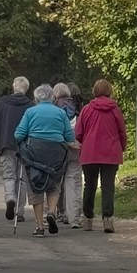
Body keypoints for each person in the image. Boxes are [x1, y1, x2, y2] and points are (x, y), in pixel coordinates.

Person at [15, 86, 77, 234]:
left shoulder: (30, 112)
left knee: (35, 186)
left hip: (34, 152)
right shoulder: (61, 113)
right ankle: (51, 212)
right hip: (56, 153)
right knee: (54, 185)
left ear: (36, 99)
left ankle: (39, 227)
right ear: (52, 98)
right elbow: (70, 137)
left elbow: (18, 135)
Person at [74, 79, 128, 233]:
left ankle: (88, 219)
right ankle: (108, 220)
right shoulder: (115, 109)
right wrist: (121, 147)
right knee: (108, 186)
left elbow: (78, 133)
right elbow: (122, 132)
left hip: (90, 152)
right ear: (109, 91)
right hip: (110, 152)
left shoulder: (86, 110)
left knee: (89, 186)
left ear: (94, 91)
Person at [0, 75, 35, 223]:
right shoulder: (30, 105)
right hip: (24, 146)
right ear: (26, 89)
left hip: (6, 144)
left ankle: (10, 198)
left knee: (9, 175)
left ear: (14, 87)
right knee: (22, 177)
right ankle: (19, 211)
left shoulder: (3, 103)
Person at [51, 82, 84, 226]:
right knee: (74, 182)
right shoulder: (79, 106)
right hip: (76, 147)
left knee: (55, 181)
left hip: (59, 148)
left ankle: (55, 211)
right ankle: (74, 217)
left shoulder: (53, 107)